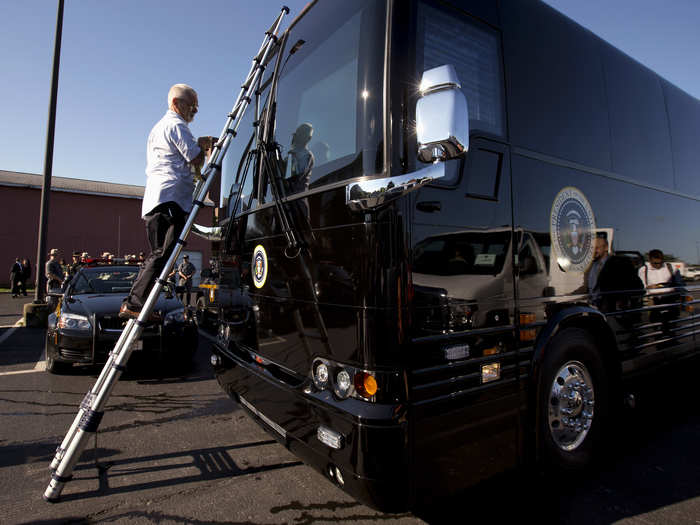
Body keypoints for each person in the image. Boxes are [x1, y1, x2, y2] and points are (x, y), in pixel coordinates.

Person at [120, 83, 215, 320]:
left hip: (161, 198)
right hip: (170, 198)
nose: (194, 111)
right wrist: (204, 145)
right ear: (176, 104)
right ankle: (134, 303)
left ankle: (138, 303)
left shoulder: (161, 127)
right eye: (191, 106)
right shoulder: (176, 124)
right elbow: (193, 157)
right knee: (163, 253)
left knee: (160, 254)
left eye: (196, 107)